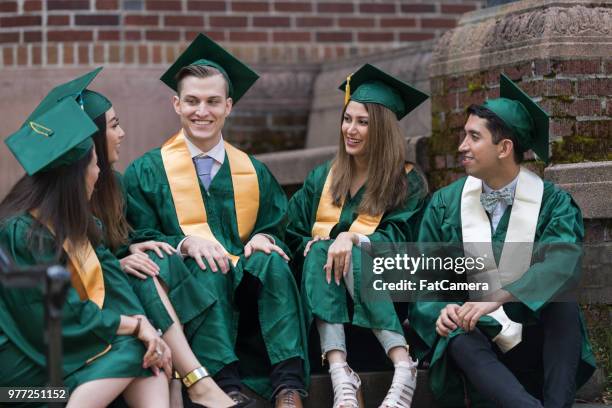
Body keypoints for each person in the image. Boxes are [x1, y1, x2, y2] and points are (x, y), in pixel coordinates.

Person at [123, 34, 309, 408]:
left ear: (229, 106)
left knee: (272, 261)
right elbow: (138, 234)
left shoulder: (254, 172)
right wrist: (184, 243)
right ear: (176, 104)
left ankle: (289, 386)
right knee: (206, 264)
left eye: (212, 102)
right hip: (194, 292)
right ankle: (224, 384)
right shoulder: (146, 171)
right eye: (191, 101)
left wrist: (262, 237)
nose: (201, 111)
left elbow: (279, 226)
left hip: (248, 291)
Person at [408, 74, 596, 407]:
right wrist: (442, 311)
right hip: (482, 348)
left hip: (537, 344)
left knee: (562, 304)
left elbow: (562, 262)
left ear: (504, 148)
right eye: (463, 135)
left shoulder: (552, 203)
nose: (461, 146)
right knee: (456, 329)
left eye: (473, 137)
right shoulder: (445, 204)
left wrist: (499, 296)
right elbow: (424, 283)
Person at [78, 73, 244, 408]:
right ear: (92, 137)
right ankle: (197, 380)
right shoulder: (62, 205)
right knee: (144, 278)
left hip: (126, 308)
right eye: (113, 126)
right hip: (89, 313)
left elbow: (122, 239)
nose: (122, 133)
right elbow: (71, 267)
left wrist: (132, 249)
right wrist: (117, 263)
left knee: (155, 263)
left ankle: (187, 383)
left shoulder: (114, 186)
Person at [0, 91, 171, 408]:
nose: (99, 173)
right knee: (135, 350)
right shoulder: (19, 234)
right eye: (94, 165)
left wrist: (147, 331)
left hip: (54, 361)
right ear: (74, 177)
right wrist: (136, 325)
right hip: (19, 385)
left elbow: (107, 295)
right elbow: (58, 320)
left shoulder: (75, 226)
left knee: (145, 354)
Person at [286, 64, 429, 408]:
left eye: (362, 122)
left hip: (389, 292)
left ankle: (401, 362)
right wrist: (312, 244)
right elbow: (292, 232)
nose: (351, 129)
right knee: (320, 251)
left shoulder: (406, 181)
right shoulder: (324, 177)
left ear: (381, 129)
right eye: (347, 119)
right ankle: (341, 372)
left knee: (353, 249)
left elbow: (407, 243)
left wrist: (352, 239)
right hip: (328, 297)